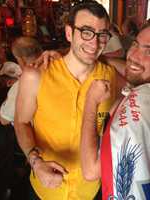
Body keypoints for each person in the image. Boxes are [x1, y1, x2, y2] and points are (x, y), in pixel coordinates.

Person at [14, 1, 125, 199]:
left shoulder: (111, 76)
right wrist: (35, 161)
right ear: (68, 33)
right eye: (86, 32)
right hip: (45, 189)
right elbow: (21, 122)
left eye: (102, 35)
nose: (95, 42)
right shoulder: (36, 75)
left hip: (89, 190)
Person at [80, 23, 150, 199]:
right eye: (135, 44)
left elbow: (91, 170)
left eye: (149, 51)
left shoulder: (139, 111)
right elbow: (128, 69)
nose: (133, 56)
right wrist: (102, 60)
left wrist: (91, 101)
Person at [0, 36, 43, 126]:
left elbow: (4, 120)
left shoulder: (20, 87)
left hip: (35, 133)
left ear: (21, 60)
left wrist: (6, 100)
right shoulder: (58, 68)